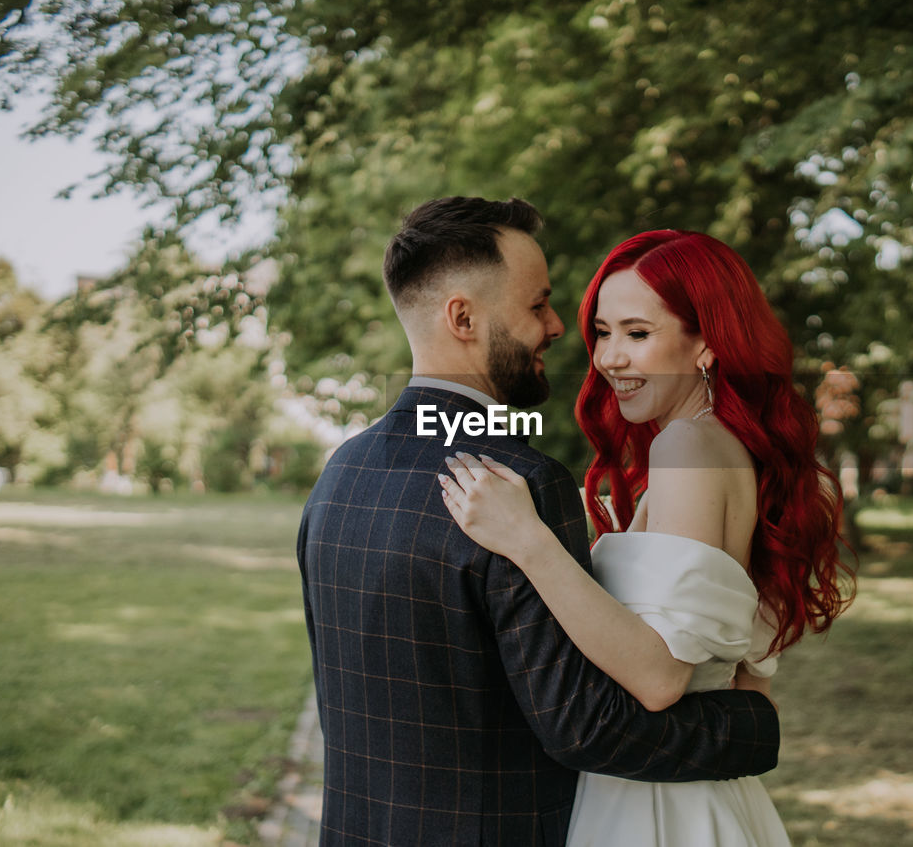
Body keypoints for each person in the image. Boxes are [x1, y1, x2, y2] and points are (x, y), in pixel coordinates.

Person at [296, 199, 782, 847]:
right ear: (463, 317)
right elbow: (587, 724)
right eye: (537, 305)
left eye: (632, 332)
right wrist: (754, 723)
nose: (560, 329)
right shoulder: (518, 481)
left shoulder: (341, 474)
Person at [440, 229, 853, 846]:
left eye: (638, 333)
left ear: (706, 344)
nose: (609, 359)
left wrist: (527, 539)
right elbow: (749, 686)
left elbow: (661, 679)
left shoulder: (685, 447)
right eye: (603, 333)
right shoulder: (723, 450)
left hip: (654, 808)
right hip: (698, 796)